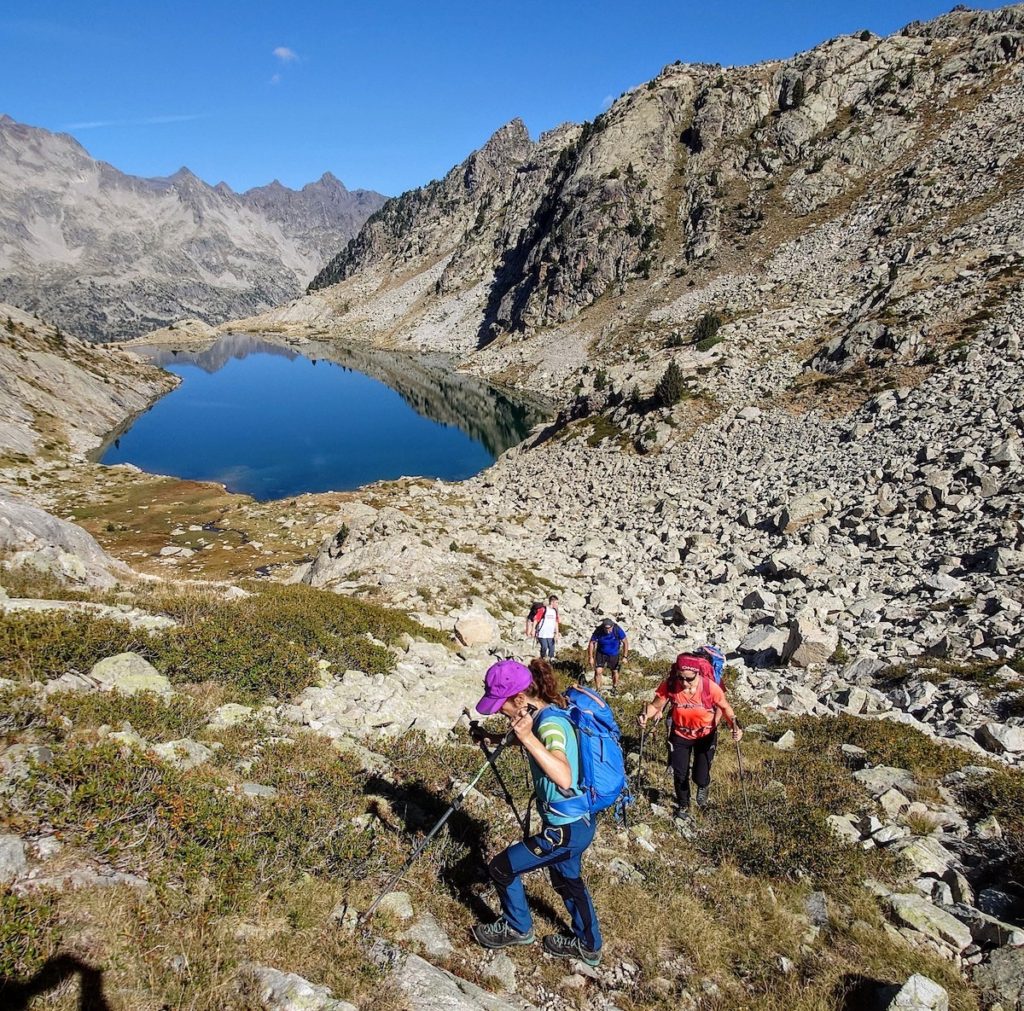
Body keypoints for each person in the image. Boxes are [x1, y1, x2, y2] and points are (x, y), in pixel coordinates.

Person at [469, 657, 603, 966]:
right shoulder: (546, 715)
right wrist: (493, 739)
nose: (500, 712)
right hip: (576, 822)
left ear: (519, 699)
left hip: (565, 831)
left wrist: (528, 737)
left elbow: (564, 775)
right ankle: (589, 945)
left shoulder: (551, 725)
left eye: (501, 706)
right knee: (568, 881)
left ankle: (518, 928)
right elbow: (523, 738)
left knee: (502, 867)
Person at [637, 652, 742, 820]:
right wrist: (645, 716)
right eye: (681, 678)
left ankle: (703, 785)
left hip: (705, 735)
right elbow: (655, 706)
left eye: (689, 679)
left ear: (698, 673)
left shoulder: (710, 687)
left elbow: (726, 709)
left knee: (700, 775)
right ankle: (683, 804)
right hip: (680, 734)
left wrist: (735, 727)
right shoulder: (671, 685)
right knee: (680, 773)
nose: (684, 683)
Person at [588, 618, 628, 693]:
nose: (607, 630)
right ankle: (598, 689)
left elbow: (625, 641)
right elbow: (591, 643)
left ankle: (614, 687)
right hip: (601, 653)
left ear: (612, 626)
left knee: (615, 671)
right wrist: (591, 657)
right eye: (606, 628)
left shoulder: (617, 630)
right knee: (598, 671)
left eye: (609, 628)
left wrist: (625, 656)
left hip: (614, 654)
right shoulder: (599, 630)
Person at [533, 594, 560, 659]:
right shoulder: (543, 609)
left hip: (550, 634)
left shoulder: (555, 611)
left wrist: (557, 633)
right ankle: (542, 659)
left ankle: (551, 661)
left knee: (552, 649)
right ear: (552, 602)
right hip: (542, 633)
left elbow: (556, 622)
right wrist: (533, 629)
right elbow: (536, 619)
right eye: (556, 602)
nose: (557, 604)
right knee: (544, 647)